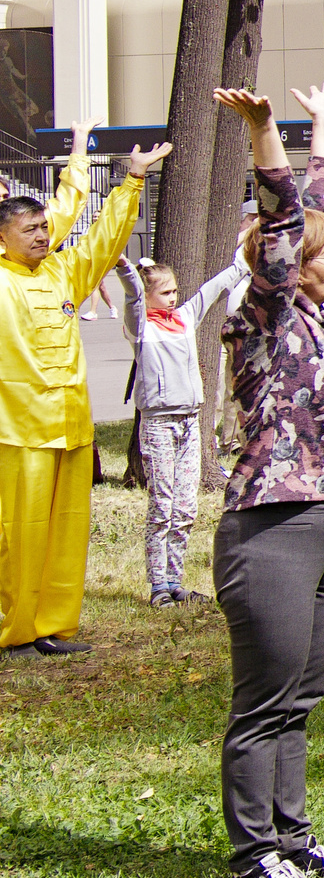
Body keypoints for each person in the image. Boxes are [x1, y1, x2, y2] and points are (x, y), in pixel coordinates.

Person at [209, 83, 324, 878]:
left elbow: (317, 209)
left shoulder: (320, 315)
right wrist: (267, 135)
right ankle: (252, 853)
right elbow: (284, 223)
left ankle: (294, 837)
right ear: (292, 267)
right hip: (269, 528)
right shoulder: (267, 315)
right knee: (263, 701)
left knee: (300, 697)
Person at [1, 122, 165, 655]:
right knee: (18, 536)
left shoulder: (60, 272)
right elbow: (69, 201)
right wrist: (74, 158)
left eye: (42, 229)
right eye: (28, 230)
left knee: (67, 535)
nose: (42, 236)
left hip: (70, 426)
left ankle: (52, 625)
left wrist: (132, 182)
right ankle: (15, 630)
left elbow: (99, 239)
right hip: (18, 432)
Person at [114, 243, 250, 605]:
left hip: (190, 422)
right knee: (163, 504)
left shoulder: (185, 319)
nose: (173, 298)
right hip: (159, 422)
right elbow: (131, 295)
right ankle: (158, 585)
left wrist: (243, 259)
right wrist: (124, 268)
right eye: (165, 292)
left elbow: (213, 288)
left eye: (175, 291)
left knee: (186, 507)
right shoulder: (140, 326)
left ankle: (175, 581)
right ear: (148, 296)